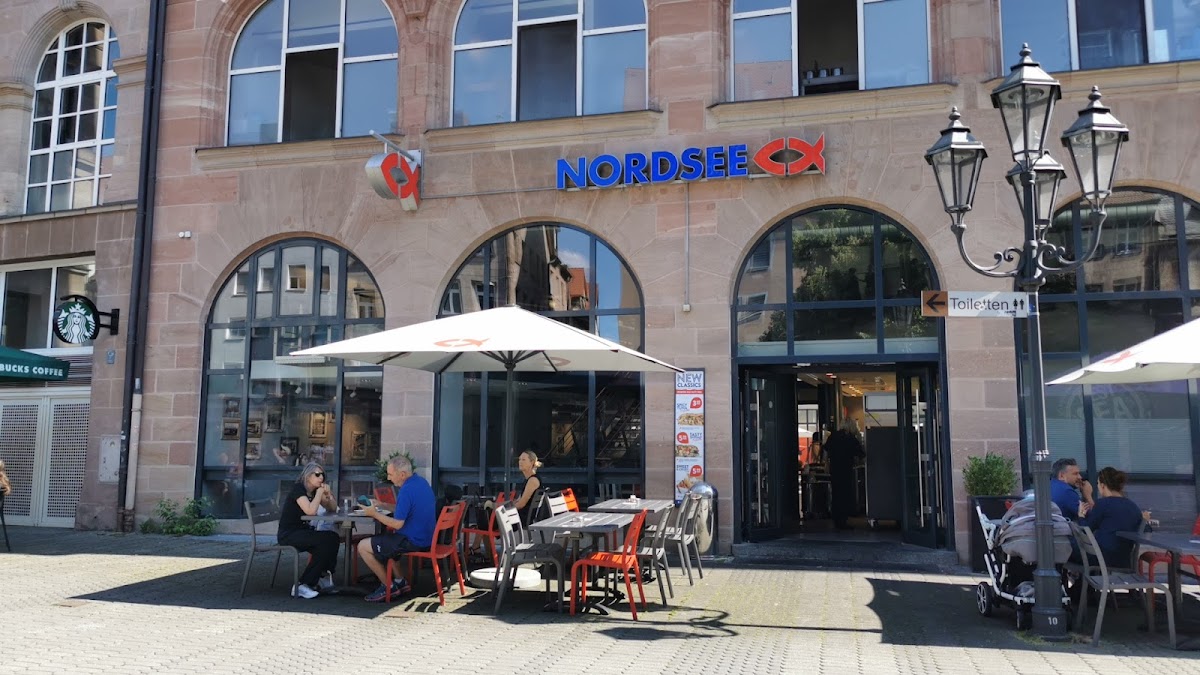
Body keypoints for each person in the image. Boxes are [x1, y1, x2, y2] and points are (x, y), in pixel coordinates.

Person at [356, 454, 436, 602]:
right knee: (388, 540)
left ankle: (388, 587)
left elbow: (397, 524)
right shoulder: (422, 483)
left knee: (362, 546)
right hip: (426, 539)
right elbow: (404, 511)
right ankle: (400, 581)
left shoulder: (406, 490)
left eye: (391, 474)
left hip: (412, 541)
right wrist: (382, 505)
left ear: (402, 474)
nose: (389, 478)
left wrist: (374, 513)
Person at [276, 462, 341, 599]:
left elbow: (332, 509)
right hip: (289, 534)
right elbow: (310, 511)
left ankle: (322, 577)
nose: (321, 477)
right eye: (317, 474)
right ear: (307, 476)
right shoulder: (298, 489)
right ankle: (302, 585)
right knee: (325, 541)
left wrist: (328, 495)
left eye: (323, 475)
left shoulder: (314, 491)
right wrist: (319, 494)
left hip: (303, 531)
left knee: (333, 538)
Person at [1077, 467, 1147, 568]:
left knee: (1066, 550)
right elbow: (1146, 530)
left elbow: (1086, 530)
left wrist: (1081, 516)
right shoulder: (1133, 506)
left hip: (1101, 558)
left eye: (1097, 484)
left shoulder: (1102, 504)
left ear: (1102, 485)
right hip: (1124, 560)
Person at [824, 418, 864, 530]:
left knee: (836, 493)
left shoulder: (833, 436)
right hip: (846, 469)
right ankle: (843, 520)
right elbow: (861, 454)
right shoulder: (851, 438)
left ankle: (836, 518)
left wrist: (826, 464)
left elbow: (826, 450)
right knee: (845, 494)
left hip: (835, 469)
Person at [513, 450, 544, 525]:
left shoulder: (533, 481)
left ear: (532, 462)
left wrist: (504, 511)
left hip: (522, 520)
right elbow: (518, 501)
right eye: (519, 459)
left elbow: (521, 504)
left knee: (489, 519)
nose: (520, 462)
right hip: (520, 517)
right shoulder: (528, 480)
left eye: (523, 459)